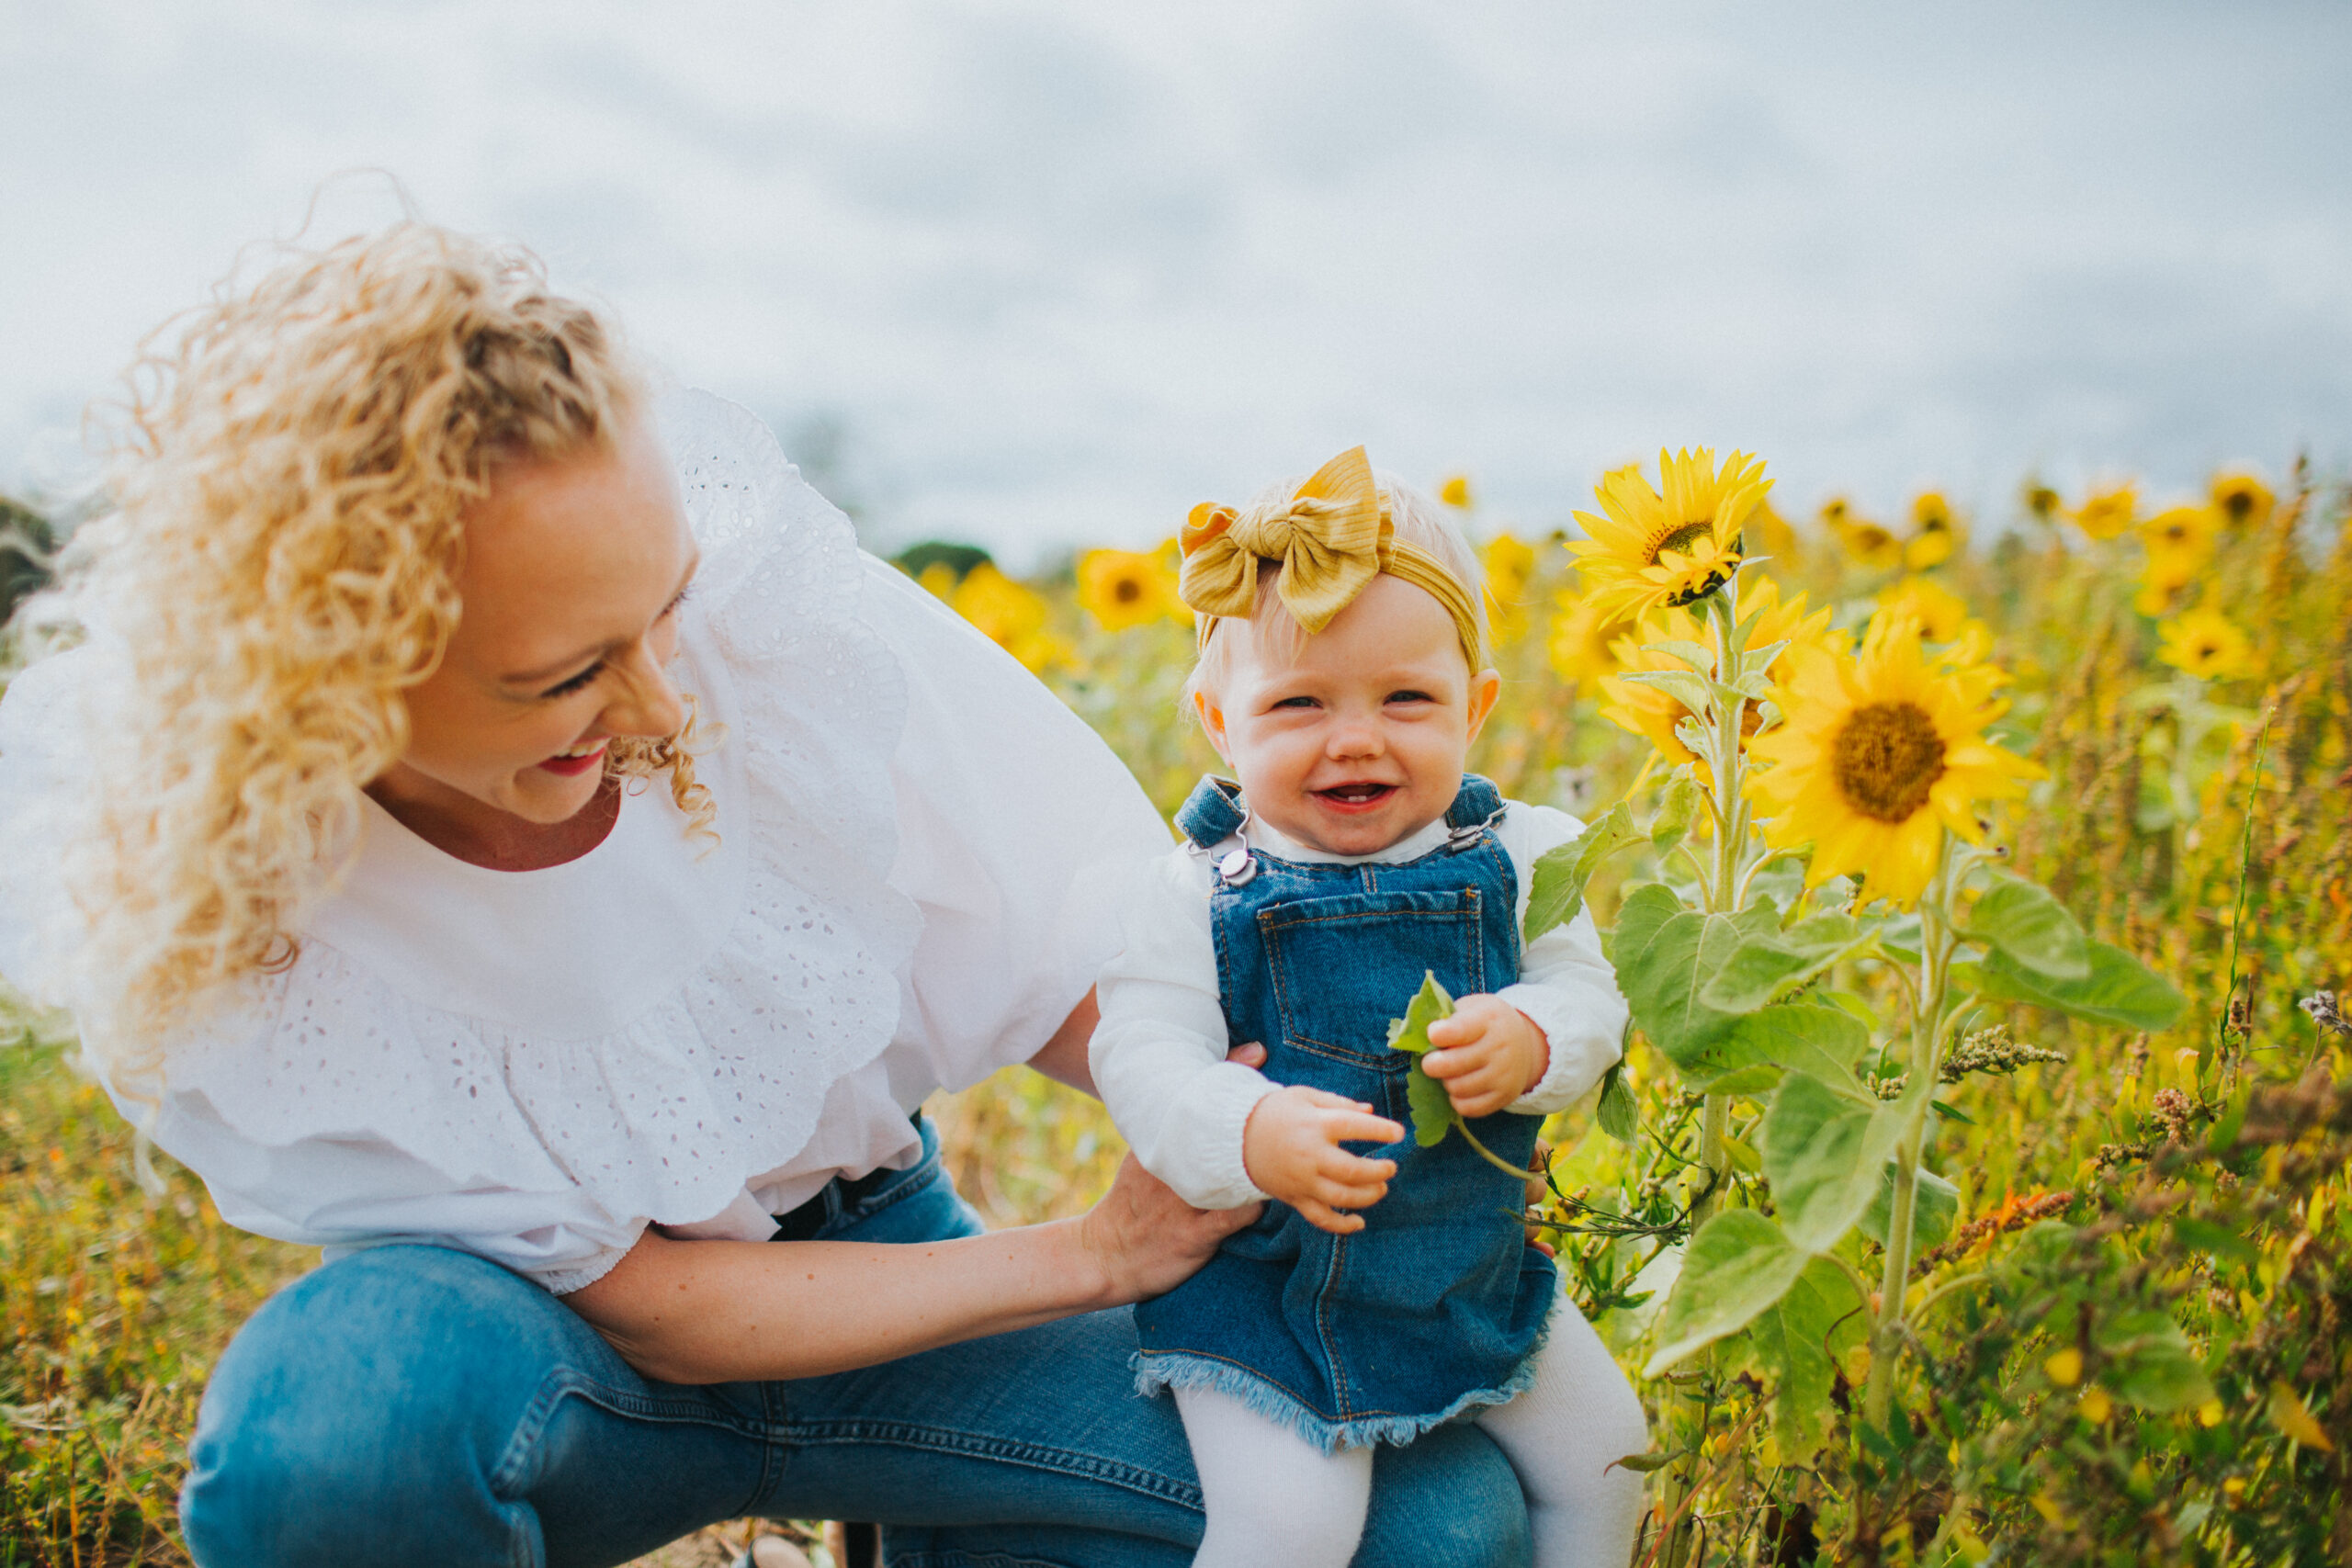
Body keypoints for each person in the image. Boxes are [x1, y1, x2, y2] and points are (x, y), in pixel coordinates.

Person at [0, 225, 1539, 1567]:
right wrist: (1089, 1255)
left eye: (661, 614)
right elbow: (658, 1303)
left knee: (1441, 1523)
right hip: (548, 1357)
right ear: (331, 688)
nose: (666, 704)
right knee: (340, 1435)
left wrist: (1315, 1108)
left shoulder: (778, 633)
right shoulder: (225, 905)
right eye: (565, 673)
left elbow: (1093, 970)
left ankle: (961, 1531)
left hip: (911, 1279)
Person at [1091, 449, 1651, 1568]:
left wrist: (1537, 1038)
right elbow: (1143, 1055)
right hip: (1271, 1294)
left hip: (1468, 1277)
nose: (1356, 737)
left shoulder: (1520, 855)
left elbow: (1590, 995)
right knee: (1292, 1525)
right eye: (1298, 703)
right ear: (1216, 719)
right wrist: (1244, 1127)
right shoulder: (1193, 892)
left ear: (1476, 706)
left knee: (1610, 1462)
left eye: (1407, 699)